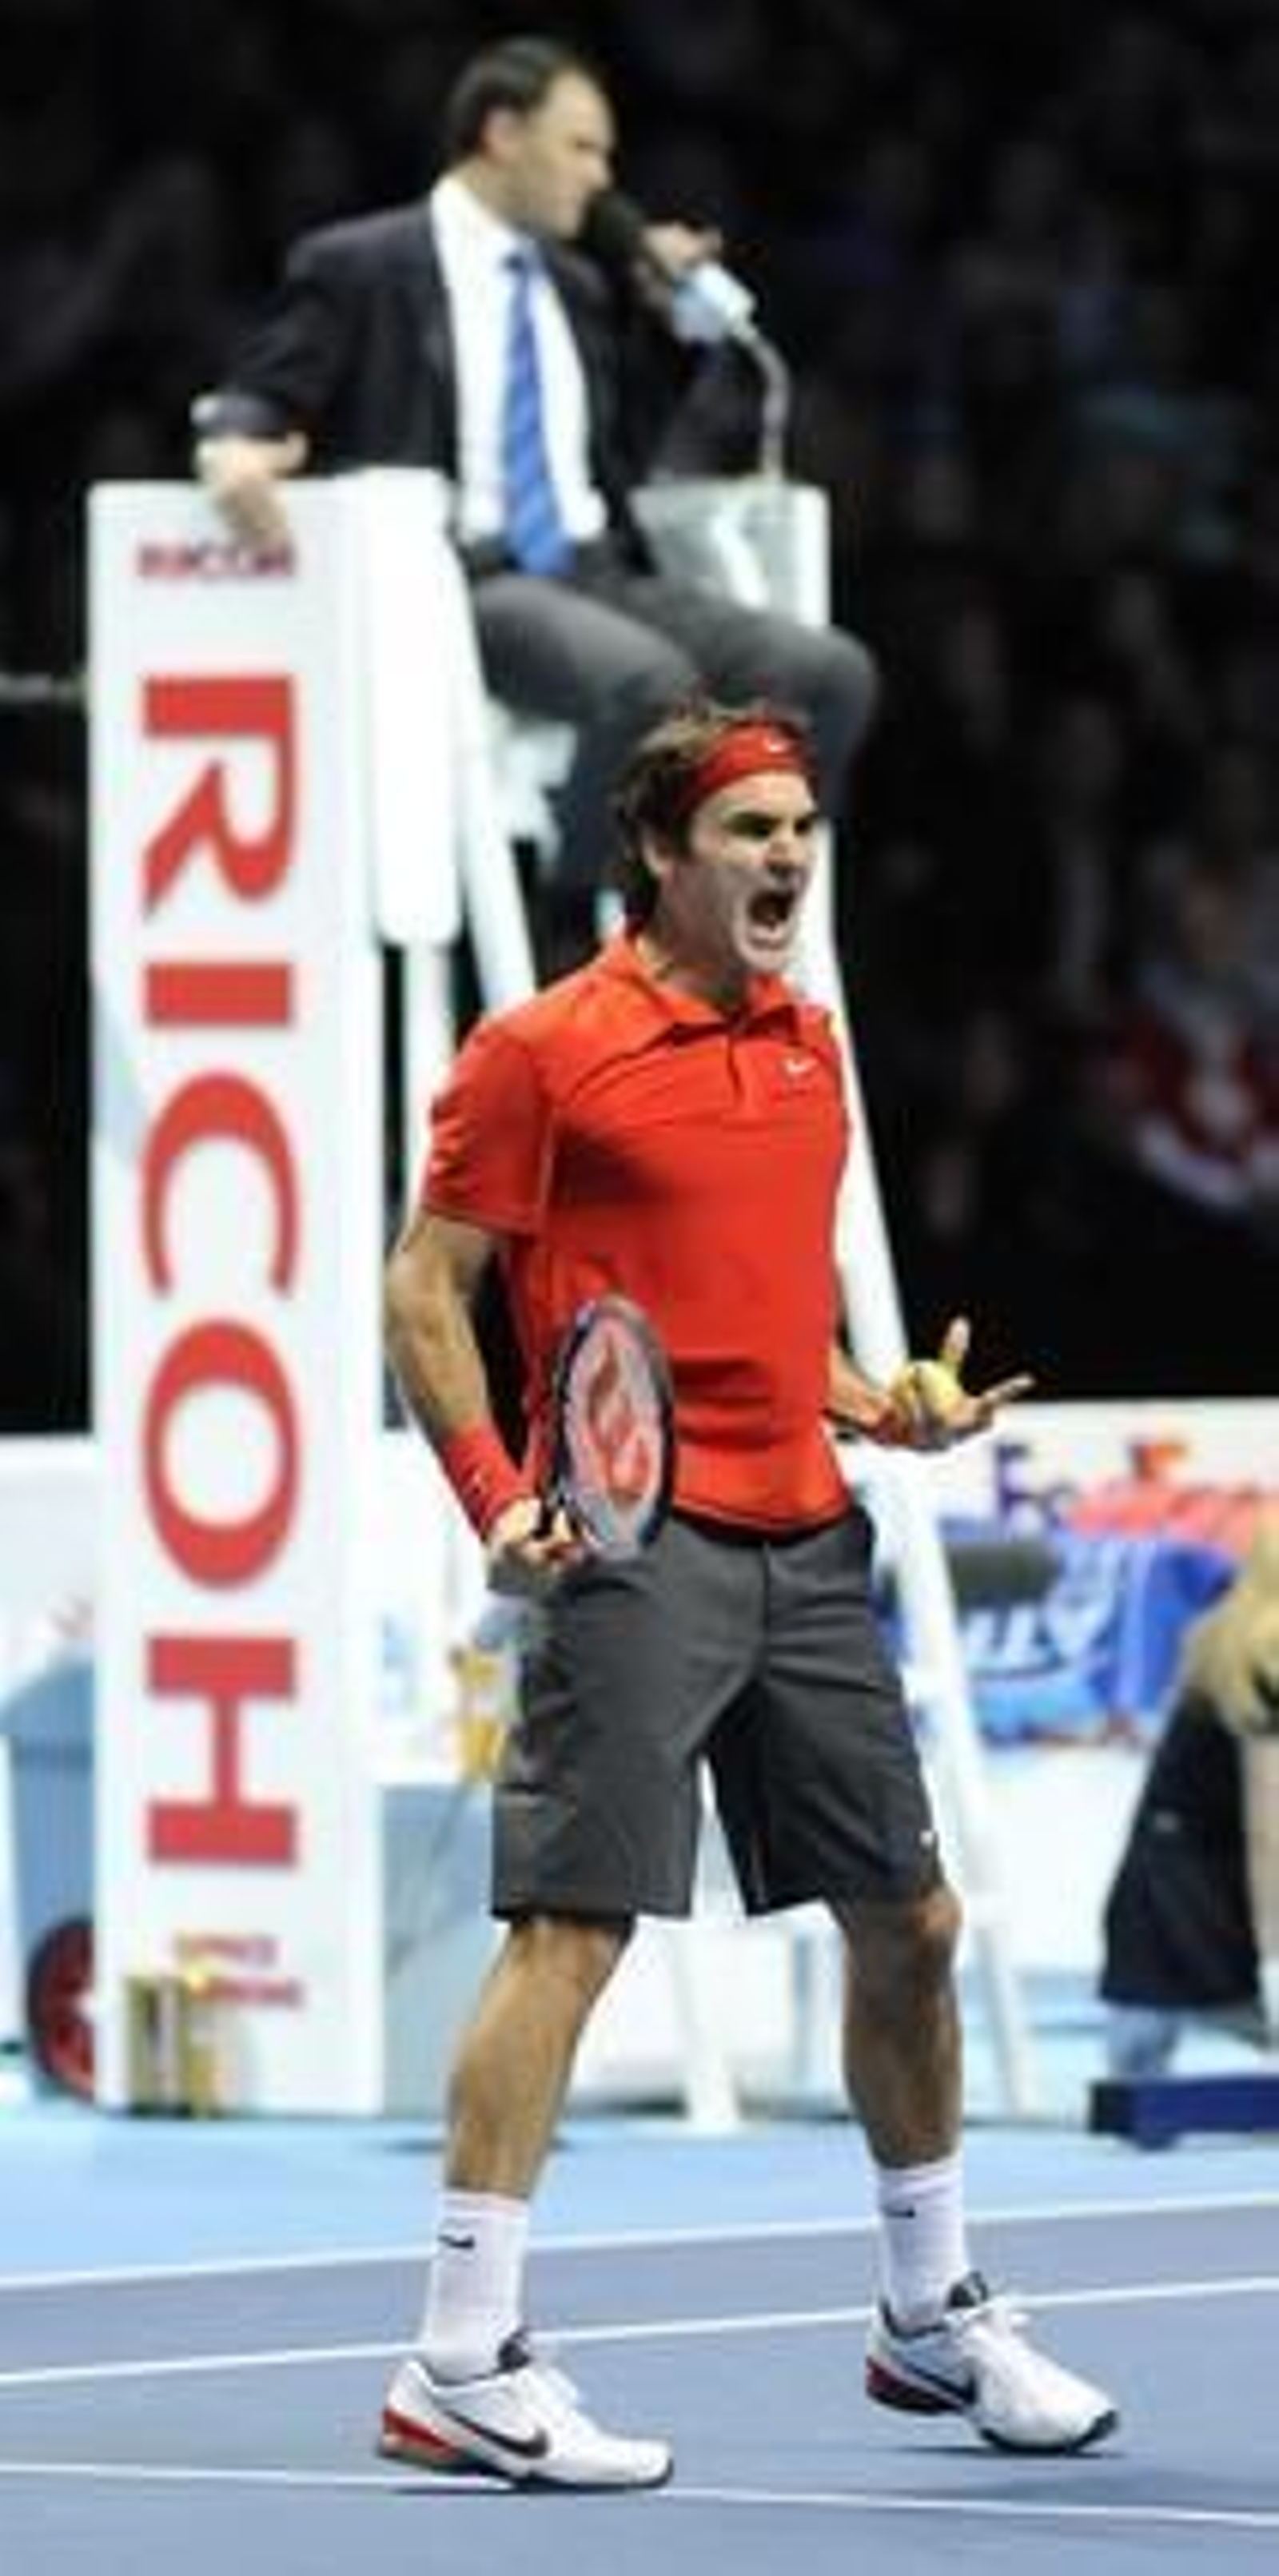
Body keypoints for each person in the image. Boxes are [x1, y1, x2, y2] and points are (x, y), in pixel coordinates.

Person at [378, 696, 1120, 2488]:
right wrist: (495, 1502)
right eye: (749, 829)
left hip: (808, 1539)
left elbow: (768, 1320)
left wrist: (891, 1400)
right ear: (657, 851)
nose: (788, 854)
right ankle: (459, 2360)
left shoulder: (805, 1042)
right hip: (633, 1554)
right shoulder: (539, 1050)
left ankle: (926, 2317)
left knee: (911, 1924)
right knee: (572, 1931)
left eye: (801, 826)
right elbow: (425, 1292)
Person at [190, 34, 876, 961]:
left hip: (598, 569)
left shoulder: (579, 285)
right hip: (467, 577)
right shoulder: (363, 263)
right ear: (503, 132)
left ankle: (729, 924)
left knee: (828, 676)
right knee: (650, 686)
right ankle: (577, 919)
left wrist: (670, 318)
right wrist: (232, 446)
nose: (600, 178)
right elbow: (266, 387)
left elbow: (625, 448)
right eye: (581, 147)